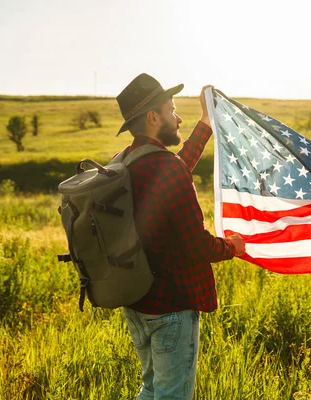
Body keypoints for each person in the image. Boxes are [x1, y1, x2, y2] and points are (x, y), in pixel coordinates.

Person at [115, 73, 245, 400]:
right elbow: (195, 246)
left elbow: (177, 167)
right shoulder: (163, 167)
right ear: (153, 117)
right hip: (172, 308)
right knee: (172, 396)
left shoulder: (126, 161)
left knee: (151, 388)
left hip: (138, 301)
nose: (178, 117)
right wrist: (232, 247)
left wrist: (206, 122)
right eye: (172, 110)